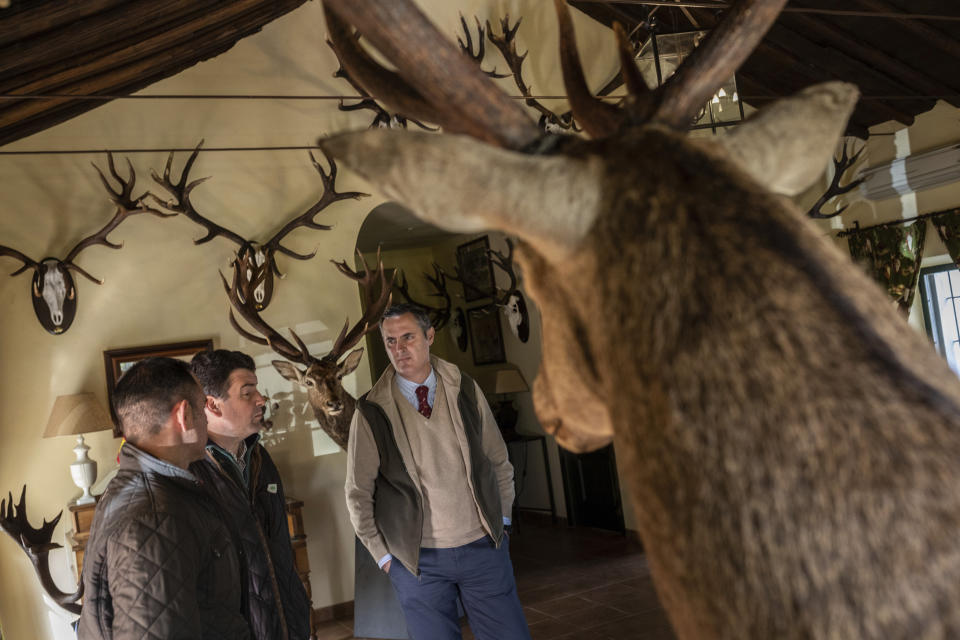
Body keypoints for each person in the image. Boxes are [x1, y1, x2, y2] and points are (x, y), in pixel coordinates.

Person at [345, 303, 531, 640]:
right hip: (418, 563)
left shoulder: (467, 390)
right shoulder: (371, 412)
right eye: (390, 342)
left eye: (408, 337)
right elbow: (358, 492)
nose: (400, 349)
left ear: (429, 336)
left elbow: (498, 460)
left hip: (483, 548)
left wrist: (502, 522)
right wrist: (385, 557)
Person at [77, 357, 251, 640]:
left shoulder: (149, 491)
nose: (207, 417)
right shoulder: (154, 518)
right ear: (184, 415)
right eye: (202, 407)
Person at [189, 349, 311, 640]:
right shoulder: (190, 475)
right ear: (212, 405)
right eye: (247, 393)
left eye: (257, 389)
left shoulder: (261, 458)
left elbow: (280, 547)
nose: (261, 399)